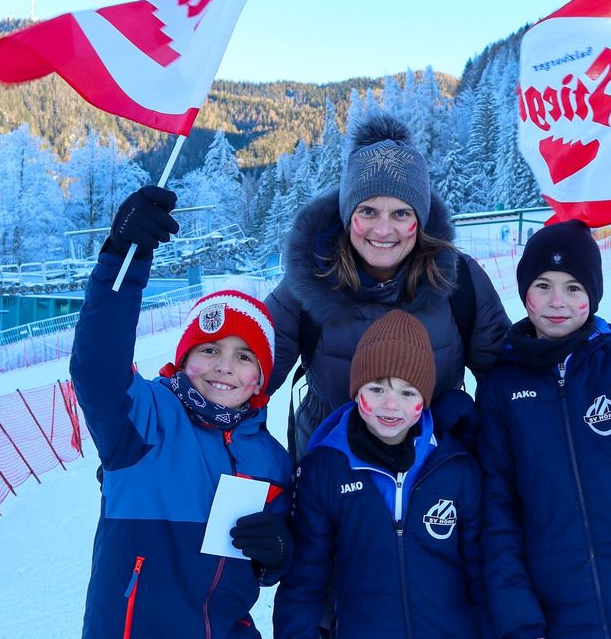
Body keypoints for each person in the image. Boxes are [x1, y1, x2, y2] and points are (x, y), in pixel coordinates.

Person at [70, 186, 293, 639]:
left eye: (244, 356)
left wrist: (278, 552)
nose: (223, 367)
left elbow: (268, 563)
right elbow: (96, 368)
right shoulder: (146, 420)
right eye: (209, 349)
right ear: (185, 359)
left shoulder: (271, 460)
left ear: (261, 379)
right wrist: (121, 259)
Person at [477, 219, 611, 638]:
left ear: (592, 296)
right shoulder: (501, 385)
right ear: (524, 291)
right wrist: (516, 613)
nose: (556, 300)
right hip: (558, 607)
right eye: (542, 285)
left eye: (573, 287)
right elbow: (498, 505)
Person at [265, 112, 510, 458]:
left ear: (420, 220)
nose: (383, 230)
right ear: (348, 214)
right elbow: (240, 380)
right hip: (329, 478)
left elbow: (512, 384)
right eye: (367, 211)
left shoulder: (458, 279)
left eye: (401, 214)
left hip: (436, 479)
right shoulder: (310, 279)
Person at [273, 310, 489, 637]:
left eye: (407, 392)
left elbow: (481, 571)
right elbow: (305, 581)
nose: (391, 406)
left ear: (424, 399)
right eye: (376, 389)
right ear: (357, 390)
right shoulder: (325, 470)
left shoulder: (455, 467)